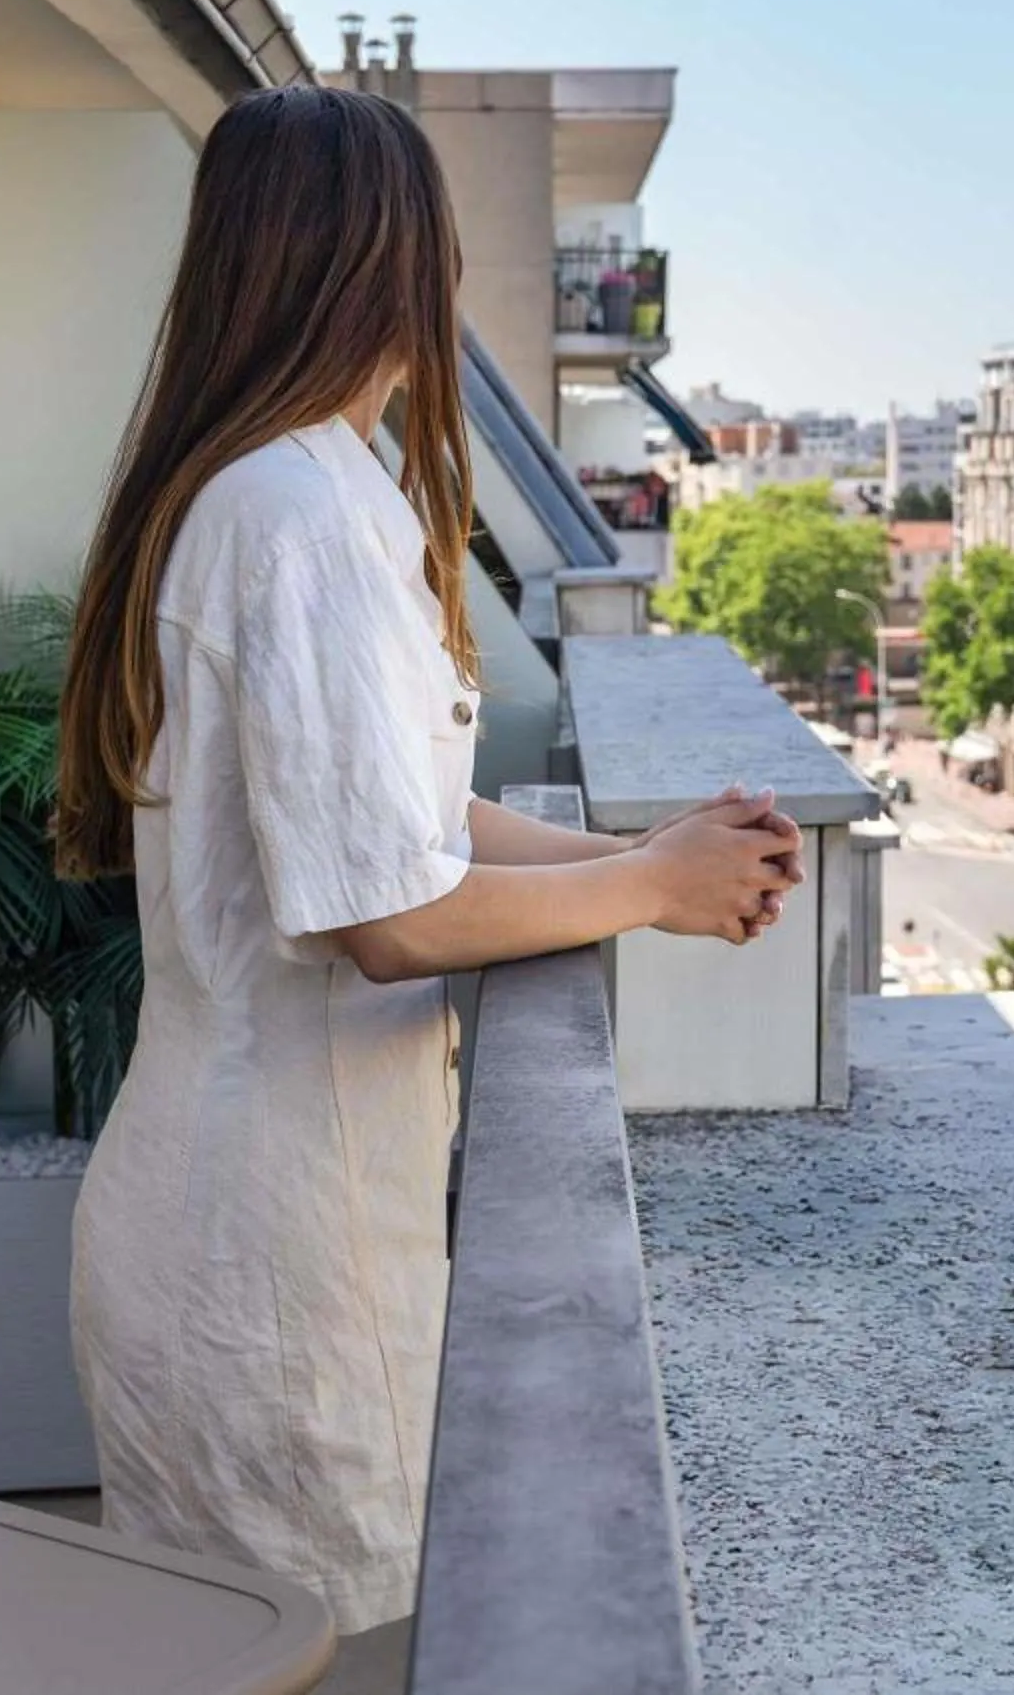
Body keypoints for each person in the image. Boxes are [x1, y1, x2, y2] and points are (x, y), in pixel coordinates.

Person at [55, 85, 800, 1684]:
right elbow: (388, 916)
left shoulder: (262, 489)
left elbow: (401, 818)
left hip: (230, 1216)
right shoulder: (300, 510)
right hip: (276, 1260)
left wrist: (644, 860)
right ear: (386, 266)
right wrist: (652, 891)